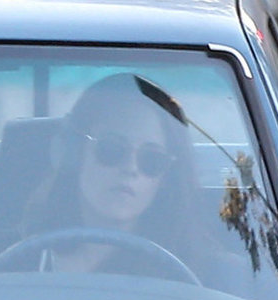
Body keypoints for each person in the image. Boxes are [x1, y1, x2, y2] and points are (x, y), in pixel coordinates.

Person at [13, 72, 202, 276]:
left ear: (166, 177)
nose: (131, 168)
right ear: (74, 153)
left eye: (152, 160)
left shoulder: (204, 273)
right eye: (112, 149)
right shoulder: (11, 257)